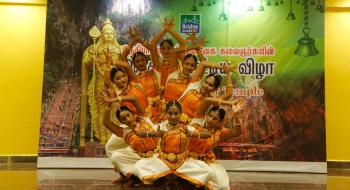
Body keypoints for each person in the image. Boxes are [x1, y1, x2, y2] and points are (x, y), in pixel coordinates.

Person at [133, 101, 212, 188]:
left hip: (183, 162)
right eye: (170, 113)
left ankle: (180, 178)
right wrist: (153, 134)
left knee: (207, 171)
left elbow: (208, 134)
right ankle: (164, 177)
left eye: (176, 113)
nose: (173, 116)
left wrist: (192, 134)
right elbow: (139, 133)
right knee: (138, 166)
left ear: (180, 114)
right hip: (163, 162)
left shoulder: (186, 128)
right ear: (166, 114)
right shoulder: (161, 127)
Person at [189, 99, 246, 190]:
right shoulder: (197, 121)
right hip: (188, 160)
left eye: (215, 118)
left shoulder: (219, 132)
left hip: (207, 162)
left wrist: (235, 114)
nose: (210, 120)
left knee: (222, 185)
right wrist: (229, 103)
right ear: (206, 115)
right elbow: (207, 101)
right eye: (210, 116)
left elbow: (237, 132)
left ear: (219, 122)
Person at [81, 18, 122, 144]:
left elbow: (124, 66)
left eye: (111, 33)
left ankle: (113, 139)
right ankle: (102, 138)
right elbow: (86, 65)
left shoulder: (119, 49)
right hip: (100, 83)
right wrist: (92, 59)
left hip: (115, 83)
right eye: (106, 33)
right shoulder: (95, 49)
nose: (109, 35)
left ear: (114, 34)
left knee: (115, 110)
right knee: (101, 111)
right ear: (102, 35)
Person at [103, 96, 159, 186]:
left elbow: (134, 99)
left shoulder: (144, 119)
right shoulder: (124, 132)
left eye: (128, 115)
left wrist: (113, 99)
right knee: (116, 156)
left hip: (157, 155)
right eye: (124, 119)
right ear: (122, 122)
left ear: (133, 114)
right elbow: (106, 122)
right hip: (140, 157)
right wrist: (109, 105)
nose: (127, 120)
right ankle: (134, 178)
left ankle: (146, 176)